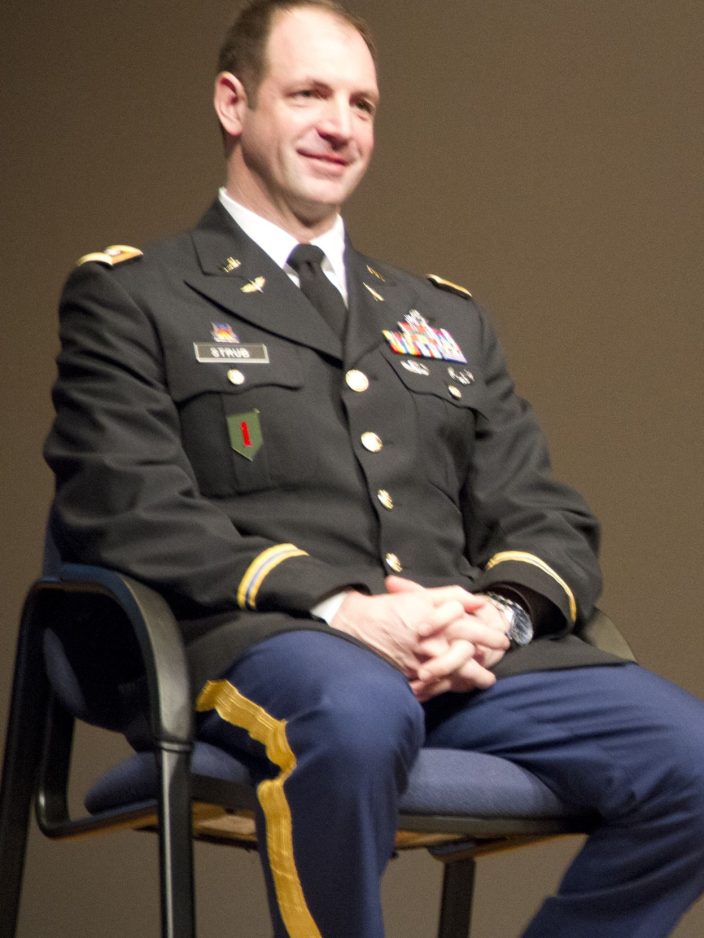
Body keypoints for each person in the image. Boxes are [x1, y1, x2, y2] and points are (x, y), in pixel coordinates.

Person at [44, 1, 704, 935]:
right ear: (234, 104)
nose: (340, 126)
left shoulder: (442, 317)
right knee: (357, 714)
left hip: (456, 661)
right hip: (260, 644)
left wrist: (497, 617)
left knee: (692, 761)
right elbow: (128, 506)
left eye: (361, 104)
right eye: (309, 95)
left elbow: (544, 515)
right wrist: (345, 609)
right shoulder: (136, 294)